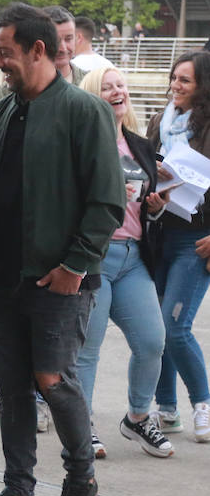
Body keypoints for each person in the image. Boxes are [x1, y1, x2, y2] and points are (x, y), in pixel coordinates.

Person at [0, 2, 123, 496]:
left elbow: (106, 201)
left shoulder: (84, 110)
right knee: (11, 386)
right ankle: (19, 494)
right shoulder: (3, 111)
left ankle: (81, 478)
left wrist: (76, 264)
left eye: (6, 52)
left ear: (38, 50)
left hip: (60, 279)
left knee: (52, 378)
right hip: (3, 277)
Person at [72, 66, 172, 458]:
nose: (117, 91)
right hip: (93, 257)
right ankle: (82, 426)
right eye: (107, 87)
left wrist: (156, 207)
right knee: (88, 350)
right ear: (93, 96)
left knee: (152, 342)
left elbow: (149, 204)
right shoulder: (80, 143)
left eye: (121, 86)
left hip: (133, 257)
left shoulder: (141, 146)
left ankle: (137, 417)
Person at [144, 51, 210, 442]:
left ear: (202, 85)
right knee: (157, 327)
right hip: (159, 236)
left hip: (196, 241)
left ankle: (202, 402)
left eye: (184, 80)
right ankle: (165, 408)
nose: (175, 86)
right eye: (173, 78)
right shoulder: (159, 123)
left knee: (175, 326)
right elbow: (145, 174)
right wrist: (154, 197)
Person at [42, 5, 84, 84]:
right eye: (55, 40)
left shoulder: (93, 84)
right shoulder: (20, 87)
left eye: (68, 39)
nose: (63, 48)